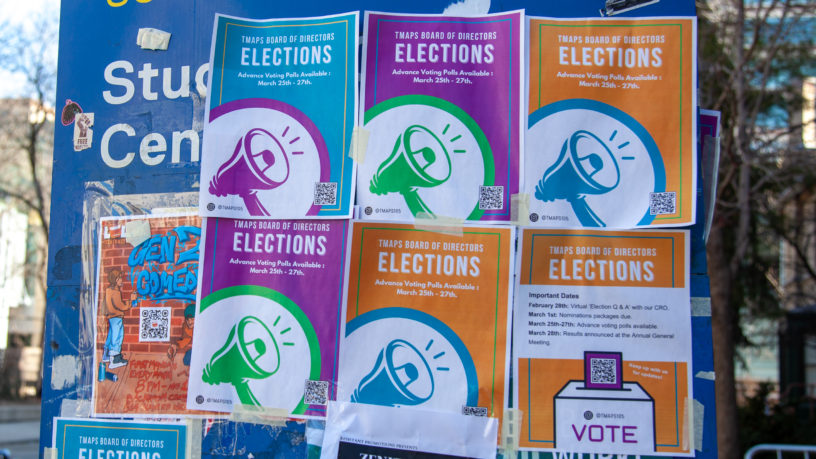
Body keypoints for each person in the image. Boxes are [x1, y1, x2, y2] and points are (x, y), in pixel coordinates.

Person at [102, 268, 136, 369]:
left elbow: (105, 306)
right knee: (117, 337)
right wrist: (131, 300)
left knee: (111, 336)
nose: (121, 280)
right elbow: (121, 306)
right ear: (115, 280)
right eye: (119, 278)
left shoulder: (108, 291)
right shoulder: (115, 292)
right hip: (117, 317)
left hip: (111, 317)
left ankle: (106, 356)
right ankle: (115, 360)